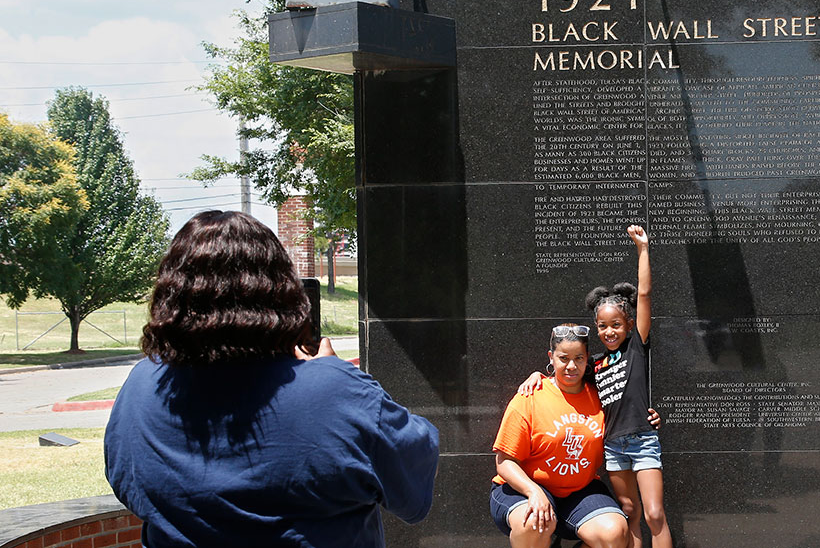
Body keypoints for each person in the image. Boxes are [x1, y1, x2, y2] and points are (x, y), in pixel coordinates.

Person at [104, 210, 439, 548]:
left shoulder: (143, 385)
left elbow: (127, 486)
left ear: (171, 294)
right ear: (280, 291)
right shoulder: (333, 390)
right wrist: (339, 377)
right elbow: (412, 477)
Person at [520, 226, 671, 548]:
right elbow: (566, 375)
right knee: (629, 510)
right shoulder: (596, 363)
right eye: (602, 326)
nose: (609, 331)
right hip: (613, 445)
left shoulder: (636, 348)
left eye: (616, 324)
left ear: (629, 325)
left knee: (654, 514)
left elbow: (644, 295)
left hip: (643, 440)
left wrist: (642, 250)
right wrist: (537, 375)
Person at [491, 324, 629, 548]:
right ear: (551, 357)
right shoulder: (530, 396)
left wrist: (648, 420)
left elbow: (630, 412)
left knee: (615, 533)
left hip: (580, 491)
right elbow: (505, 462)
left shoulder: (601, 397)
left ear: (587, 359)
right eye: (563, 358)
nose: (571, 366)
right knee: (534, 522)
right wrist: (533, 491)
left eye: (579, 358)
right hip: (524, 489)